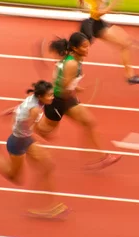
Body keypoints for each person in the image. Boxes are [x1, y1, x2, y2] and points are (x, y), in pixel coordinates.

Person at [0, 81, 70, 219]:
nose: (52, 97)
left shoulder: (33, 99)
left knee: (47, 167)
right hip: (18, 142)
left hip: (24, 139)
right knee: (15, 177)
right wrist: (45, 139)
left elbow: (21, 108)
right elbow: (31, 130)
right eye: (49, 95)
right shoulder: (34, 110)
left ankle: (49, 206)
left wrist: (11, 111)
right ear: (40, 96)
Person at [35, 32, 121, 170]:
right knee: (44, 131)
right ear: (75, 48)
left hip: (66, 100)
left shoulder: (76, 58)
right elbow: (63, 88)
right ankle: (28, 118)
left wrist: (75, 87)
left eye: (88, 46)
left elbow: (65, 81)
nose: (87, 49)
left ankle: (102, 157)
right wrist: (73, 91)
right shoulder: (72, 64)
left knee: (89, 122)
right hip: (57, 102)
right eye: (84, 47)